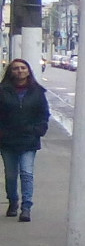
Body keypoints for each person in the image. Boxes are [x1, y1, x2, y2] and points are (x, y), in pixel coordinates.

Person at [0, 58, 50, 222]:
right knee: (11, 175)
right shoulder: (3, 91)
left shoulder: (37, 92)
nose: (20, 71)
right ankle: (13, 202)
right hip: (7, 140)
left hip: (29, 140)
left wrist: (38, 130)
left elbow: (44, 114)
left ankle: (26, 207)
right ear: (11, 72)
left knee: (27, 173)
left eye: (23, 68)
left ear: (28, 71)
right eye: (16, 68)